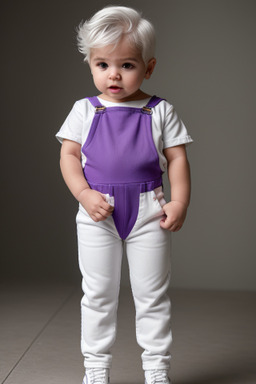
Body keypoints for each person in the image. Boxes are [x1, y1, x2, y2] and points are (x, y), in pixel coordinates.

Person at [56, 5, 193, 384]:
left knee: (152, 295)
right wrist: (83, 194)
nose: (113, 74)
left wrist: (179, 201)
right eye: (102, 65)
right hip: (97, 212)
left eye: (127, 65)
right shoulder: (84, 111)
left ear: (148, 68)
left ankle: (156, 369)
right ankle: (96, 369)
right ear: (90, 65)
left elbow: (177, 159)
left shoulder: (160, 111)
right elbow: (68, 156)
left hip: (149, 211)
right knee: (98, 295)